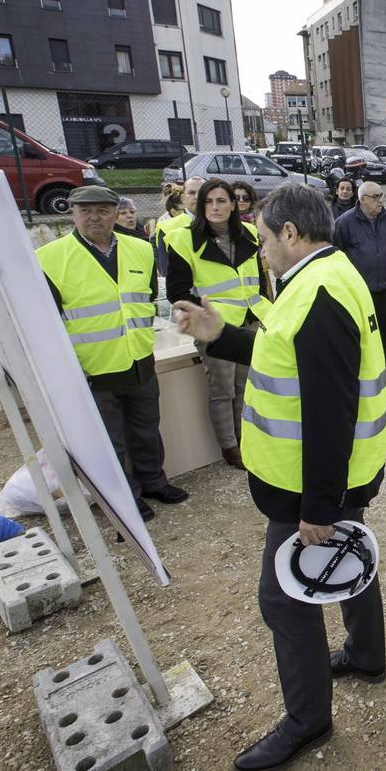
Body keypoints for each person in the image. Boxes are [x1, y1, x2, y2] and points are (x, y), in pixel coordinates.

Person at [173, 184, 386, 771]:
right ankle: (367, 655)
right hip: (338, 476)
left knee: (283, 600)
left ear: (291, 234)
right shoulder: (326, 274)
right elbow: (282, 351)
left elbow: (330, 410)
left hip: (312, 484)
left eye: (264, 236)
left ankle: (307, 720)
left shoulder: (316, 294)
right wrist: (220, 335)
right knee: (350, 557)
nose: (260, 247)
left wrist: (318, 506)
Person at [37, 186, 185, 523]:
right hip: (94, 367)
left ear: (115, 213)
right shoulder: (50, 258)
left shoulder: (140, 249)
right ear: (72, 213)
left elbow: (145, 297)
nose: (94, 217)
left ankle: (154, 481)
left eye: (103, 210)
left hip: (139, 359)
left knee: (147, 427)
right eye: (85, 210)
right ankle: (126, 496)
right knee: (111, 439)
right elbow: (48, 320)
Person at [165, 178, 273, 470]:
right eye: (208, 201)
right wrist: (203, 317)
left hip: (252, 319)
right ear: (200, 205)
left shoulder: (249, 233)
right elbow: (176, 291)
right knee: (223, 390)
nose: (215, 207)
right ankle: (230, 446)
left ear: (232, 205)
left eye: (221, 201)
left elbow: (260, 279)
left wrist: (263, 306)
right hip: (215, 328)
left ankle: (246, 437)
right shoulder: (183, 239)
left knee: (247, 386)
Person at [332, 182, 386, 370]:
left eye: (381, 196)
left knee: (384, 324)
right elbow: (335, 251)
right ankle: (360, 362)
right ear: (362, 199)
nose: (380, 201)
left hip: (384, 284)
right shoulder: (345, 222)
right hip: (358, 287)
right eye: (376, 197)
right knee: (359, 326)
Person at [155, 175, 203, 273]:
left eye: (202, 192)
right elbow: (168, 272)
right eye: (192, 193)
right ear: (183, 198)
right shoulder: (167, 228)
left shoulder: (221, 224)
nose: (197, 196)